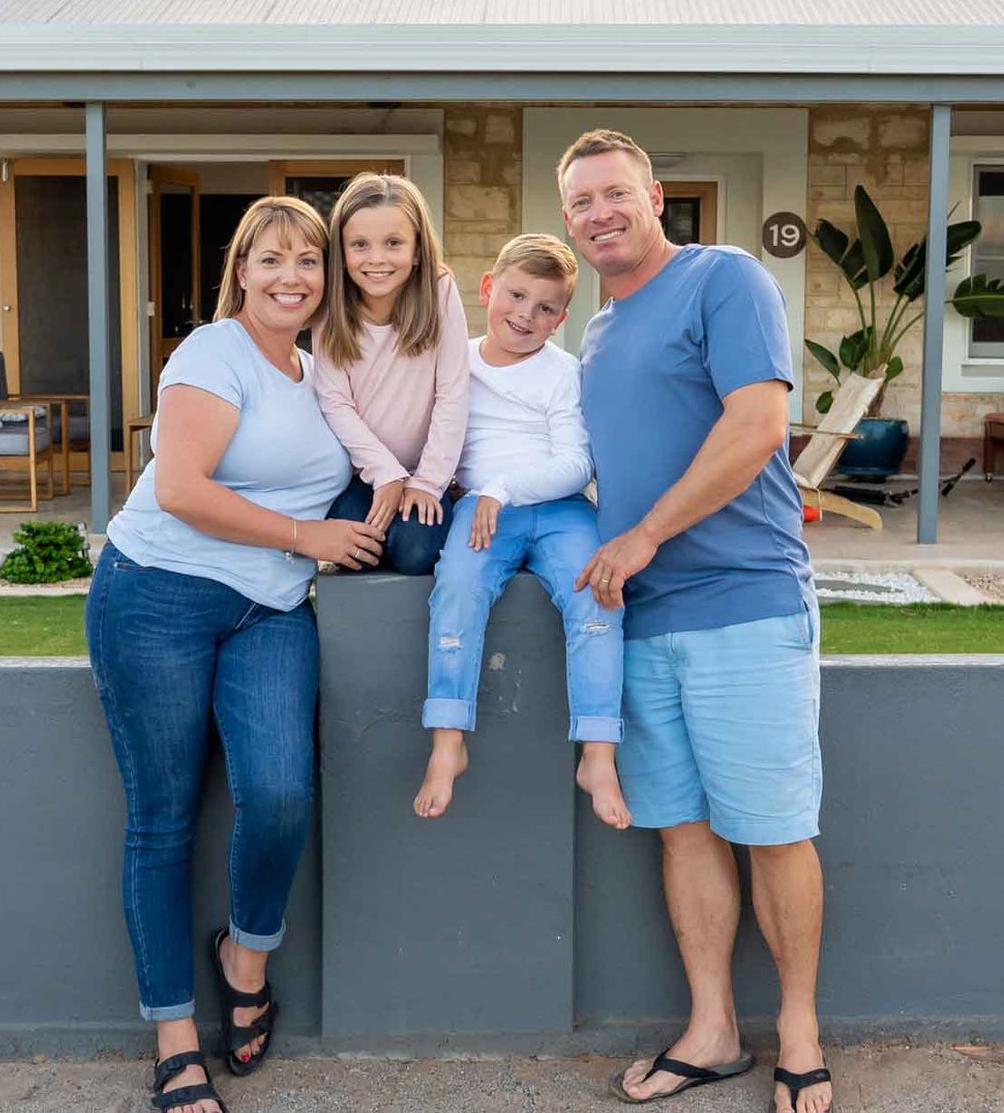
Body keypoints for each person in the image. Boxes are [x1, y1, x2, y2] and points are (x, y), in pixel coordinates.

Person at [87, 196, 386, 1113]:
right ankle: (176, 1034)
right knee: (163, 819)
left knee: (282, 791)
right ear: (242, 271)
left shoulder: (326, 368)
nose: (291, 276)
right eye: (271, 260)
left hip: (270, 613)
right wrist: (308, 535)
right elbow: (179, 488)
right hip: (158, 596)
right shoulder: (213, 353)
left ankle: (243, 956)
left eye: (309, 261)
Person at [561, 130, 831, 1113]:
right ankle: (713, 1029)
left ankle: (798, 1030)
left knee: (773, 828)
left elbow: (758, 423)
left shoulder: (727, 277)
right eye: (581, 201)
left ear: (656, 194)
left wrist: (642, 534)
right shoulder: (595, 329)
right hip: (640, 621)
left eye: (613, 192)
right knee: (681, 828)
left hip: (744, 604)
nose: (599, 212)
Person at [412, 233, 630, 829]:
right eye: (515, 296)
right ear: (488, 289)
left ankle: (598, 751)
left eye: (544, 308)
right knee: (457, 589)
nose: (525, 315)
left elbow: (576, 463)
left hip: (558, 509)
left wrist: (501, 487)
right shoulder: (455, 360)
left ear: (561, 318)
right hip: (481, 514)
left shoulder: (563, 374)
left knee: (596, 598)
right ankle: (448, 741)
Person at [313, 173, 470, 576]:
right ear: (342, 253)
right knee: (356, 549)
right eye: (360, 245)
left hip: (424, 470)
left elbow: (452, 393)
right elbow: (335, 401)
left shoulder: (440, 291)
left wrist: (429, 482)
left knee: (416, 552)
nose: (377, 258)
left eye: (394, 243)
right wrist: (385, 474)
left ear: (418, 250)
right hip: (362, 472)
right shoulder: (331, 307)